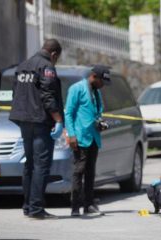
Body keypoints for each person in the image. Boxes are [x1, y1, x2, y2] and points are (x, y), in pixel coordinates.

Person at [9, 39, 64, 219]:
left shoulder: (23, 66)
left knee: (30, 164)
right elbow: (48, 95)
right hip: (40, 121)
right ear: (54, 54)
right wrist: (58, 120)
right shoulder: (46, 66)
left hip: (24, 120)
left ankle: (27, 206)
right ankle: (36, 208)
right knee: (41, 165)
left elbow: (16, 92)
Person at [65, 65, 110, 217]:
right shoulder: (76, 89)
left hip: (94, 138)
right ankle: (75, 206)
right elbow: (69, 113)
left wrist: (100, 122)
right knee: (79, 171)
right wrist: (71, 135)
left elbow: (97, 112)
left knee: (90, 172)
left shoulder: (96, 92)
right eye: (102, 81)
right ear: (94, 76)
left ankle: (89, 204)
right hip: (80, 138)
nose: (103, 85)